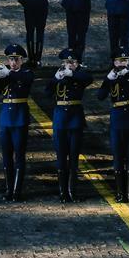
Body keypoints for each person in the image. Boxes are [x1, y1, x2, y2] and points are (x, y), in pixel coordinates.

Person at [97, 46, 129, 203]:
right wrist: (108, 79)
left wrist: (128, 71)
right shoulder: (111, 77)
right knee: (118, 156)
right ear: (114, 62)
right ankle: (120, 193)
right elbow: (100, 96)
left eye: (125, 60)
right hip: (118, 119)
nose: (122, 63)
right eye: (120, 61)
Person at [46, 48, 94, 202]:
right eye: (67, 62)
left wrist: (72, 74)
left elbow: (88, 79)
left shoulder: (80, 75)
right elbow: (47, 92)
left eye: (72, 62)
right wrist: (56, 79)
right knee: (61, 156)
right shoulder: (59, 74)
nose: (69, 64)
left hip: (75, 119)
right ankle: (62, 192)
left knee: (74, 157)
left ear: (77, 63)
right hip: (60, 118)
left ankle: (72, 191)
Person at [0, 44, 35, 202]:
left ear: (22, 60)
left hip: (19, 117)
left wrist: (8, 75)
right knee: (6, 155)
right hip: (6, 117)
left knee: (19, 154)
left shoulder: (26, 73)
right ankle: (8, 188)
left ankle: (17, 190)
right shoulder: (5, 73)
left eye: (16, 59)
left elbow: (25, 80)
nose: (13, 62)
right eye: (11, 59)